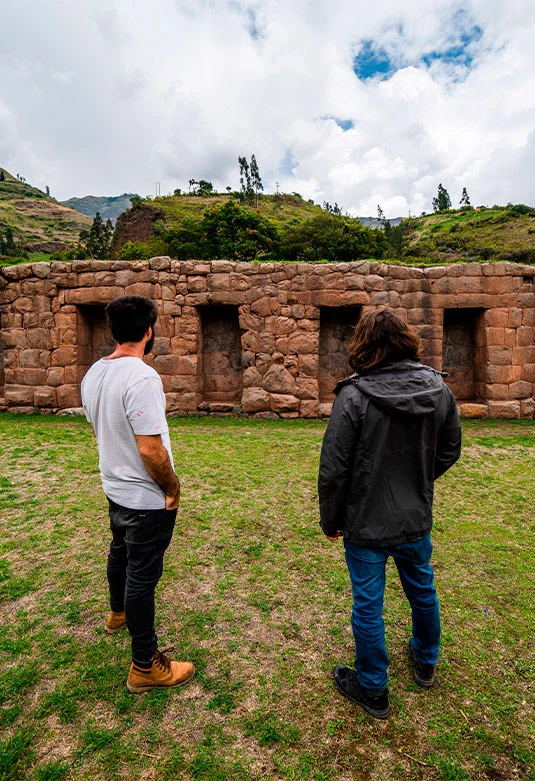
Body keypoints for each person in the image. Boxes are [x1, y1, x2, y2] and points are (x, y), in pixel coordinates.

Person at [318, 308, 461, 719]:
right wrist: (418, 480)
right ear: (406, 340)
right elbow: (449, 449)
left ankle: (374, 687)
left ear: (364, 343)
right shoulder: (437, 390)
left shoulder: (355, 395)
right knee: (422, 589)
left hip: (366, 521)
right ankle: (425, 659)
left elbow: (333, 470)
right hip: (412, 517)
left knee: (368, 603)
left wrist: (332, 520)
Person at [81, 295, 195, 693]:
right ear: (149, 332)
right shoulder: (142, 377)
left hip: (114, 486)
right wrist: (172, 487)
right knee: (142, 576)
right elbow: (149, 448)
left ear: (114, 330)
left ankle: (117, 614)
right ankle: (145, 665)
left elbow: (99, 430)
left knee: (120, 552)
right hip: (144, 497)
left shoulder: (94, 372)